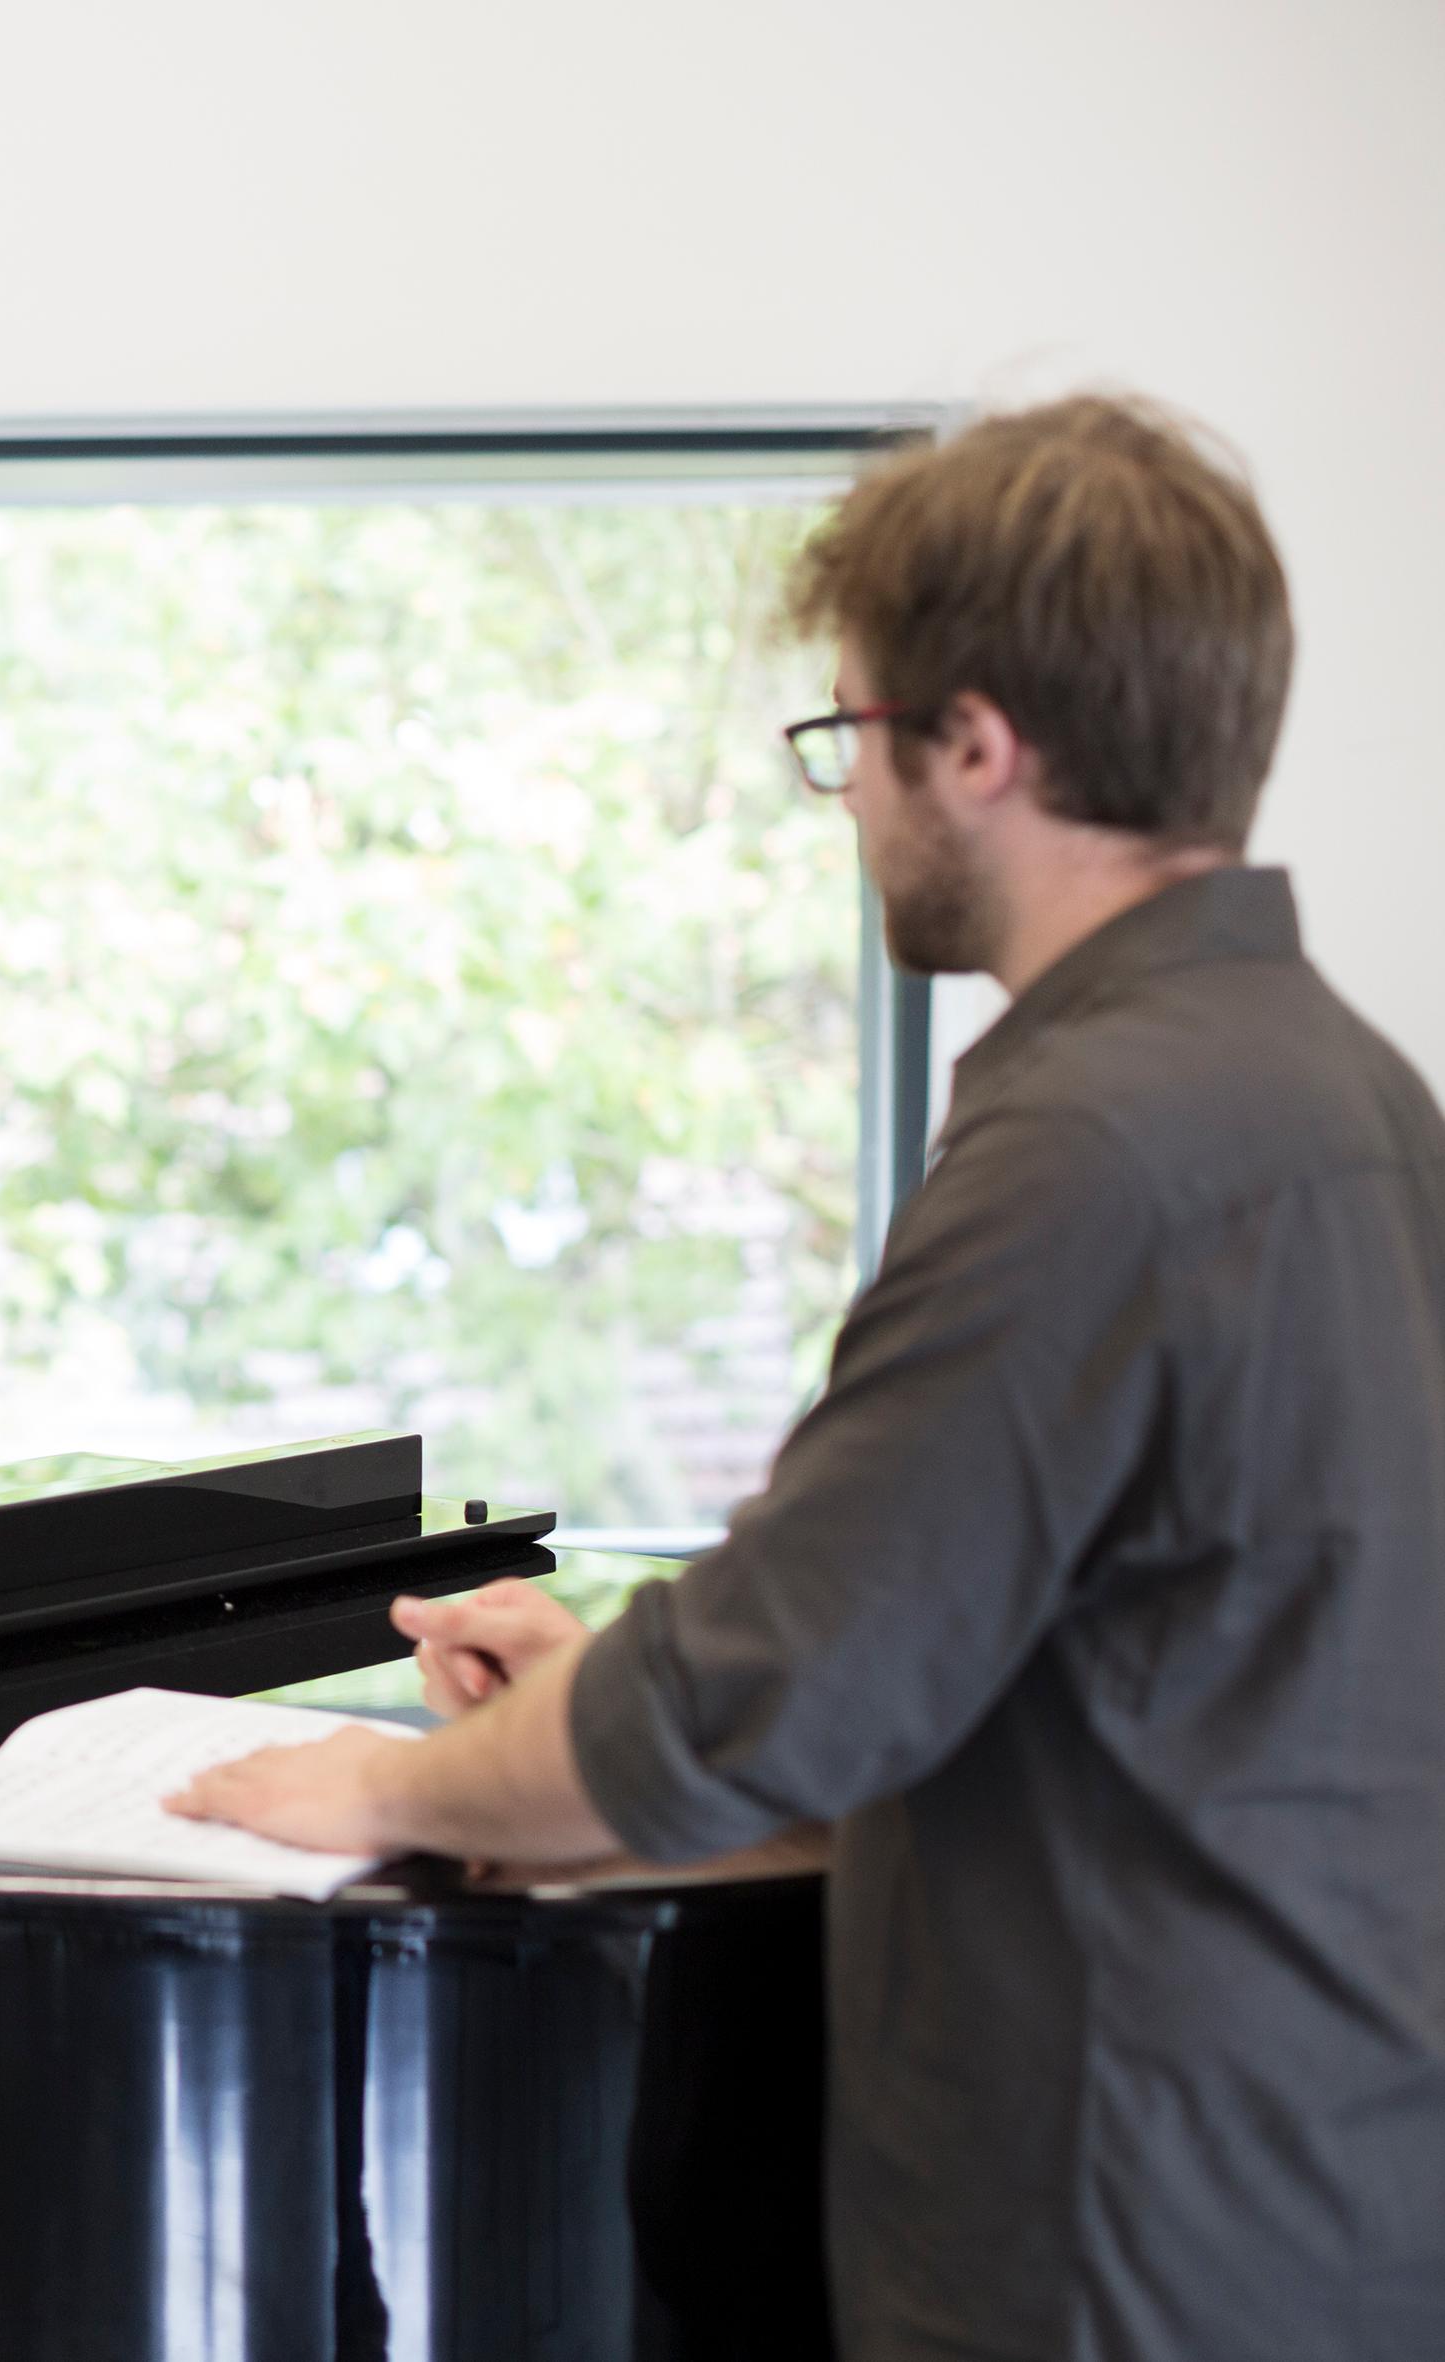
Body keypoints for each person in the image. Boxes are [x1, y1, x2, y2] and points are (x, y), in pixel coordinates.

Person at [174, 397, 1445, 2358]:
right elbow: (1013, 1676)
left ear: (975, 744)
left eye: (848, 735)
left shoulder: (1089, 1153)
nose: (844, 793)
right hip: (1319, 2205)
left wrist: (388, 1774)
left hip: (1104, 2253)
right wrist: (600, 1690)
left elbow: (740, 1710)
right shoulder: (1353, 1095)